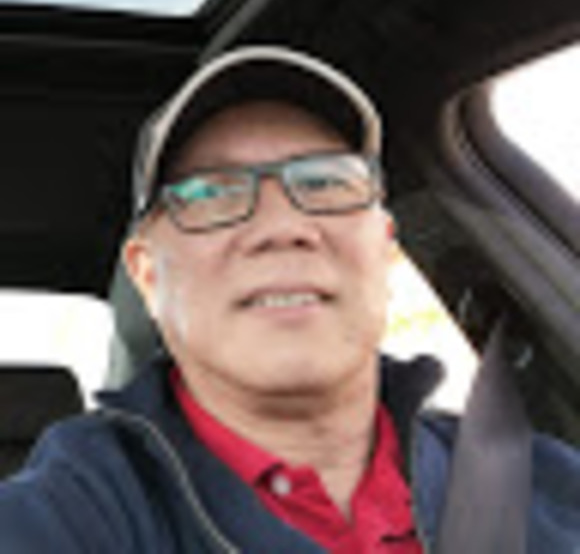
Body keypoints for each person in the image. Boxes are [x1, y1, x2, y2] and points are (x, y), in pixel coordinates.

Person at [0, 45, 578, 554]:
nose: (283, 227)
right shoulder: (71, 515)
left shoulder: (546, 484)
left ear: (385, 247)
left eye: (326, 181)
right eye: (212, 193)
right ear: (148, 278)